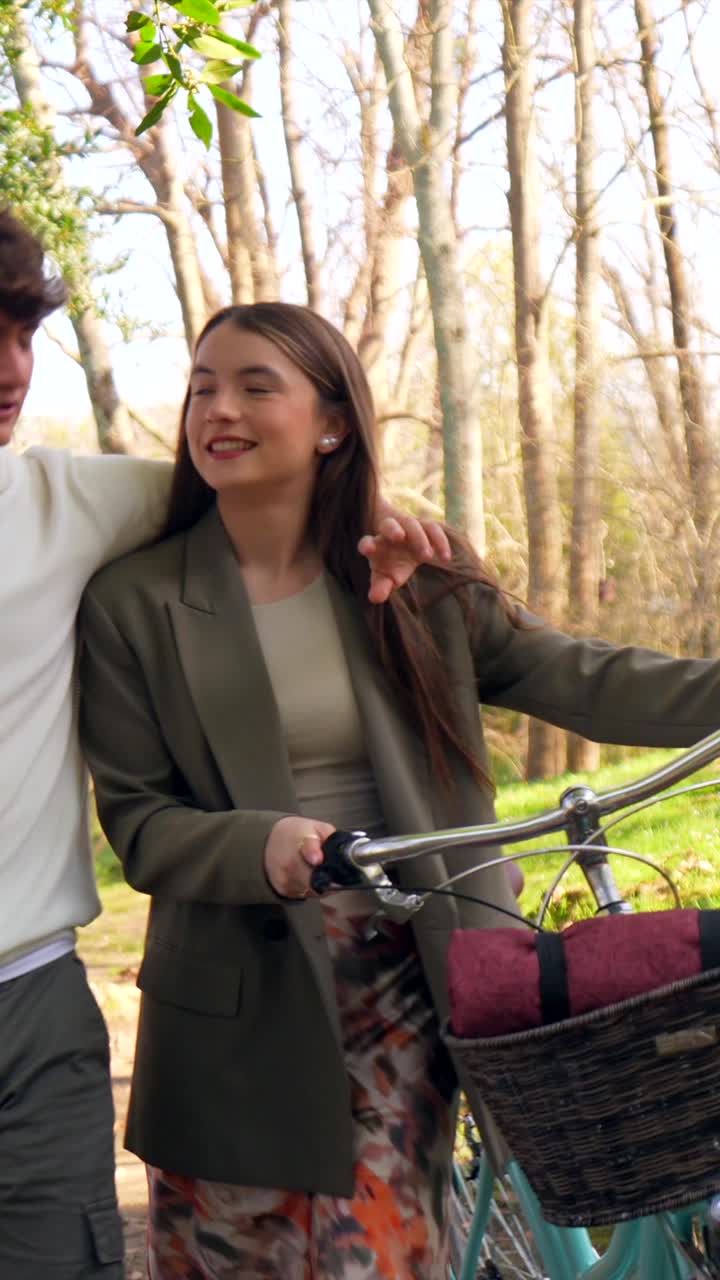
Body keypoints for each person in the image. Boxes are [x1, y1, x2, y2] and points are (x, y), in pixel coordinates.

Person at [78, 300, 720, 1280]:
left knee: (378, 1256)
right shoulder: (135, 602)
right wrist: (264, 843)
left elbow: (580, 677)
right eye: (203, 386)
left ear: (333, 423)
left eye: (256, 385)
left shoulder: (409, 573)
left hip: (405, 980)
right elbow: (140, 822)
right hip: (235, 1004)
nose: (219, 408)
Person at [0, 210, 448, 1280]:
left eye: (23, 333)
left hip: (32, 1005)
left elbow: (269, 485)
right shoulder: (120, 564)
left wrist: (395, 529)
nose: (13, 368)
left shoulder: (73, 502)